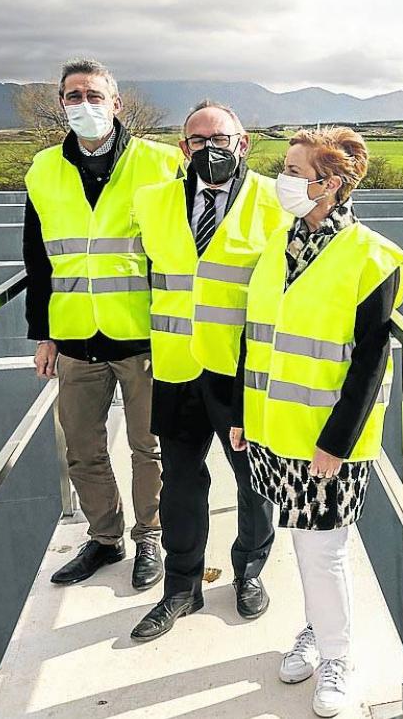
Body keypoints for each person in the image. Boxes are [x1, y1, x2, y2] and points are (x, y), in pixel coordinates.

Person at [229, 127, 403, 717]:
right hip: (272, 428)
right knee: (306, 544)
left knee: (324, 550)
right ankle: (318, 628)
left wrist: (337, 442)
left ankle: (338, 655)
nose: (280, 180)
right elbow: (254, 338)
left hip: (329, 440)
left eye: (291, 169)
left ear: (329, 183)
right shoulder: (278, 245)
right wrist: (241, 415)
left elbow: (369, 363)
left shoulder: (372, 257)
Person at [128, 101, 288, 642]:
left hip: (241, 373)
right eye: (197, 140)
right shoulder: (153, 203)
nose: (209, 148)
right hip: (175, 368)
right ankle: (181, 587)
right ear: (183, 148)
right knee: (179, 481)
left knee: (253, 480)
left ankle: (248, 571)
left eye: (220, 138)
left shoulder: (274, 202)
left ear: (242, 143)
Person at [23, 59, 183, 590]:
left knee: (149, 444)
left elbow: (178, 254)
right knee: (82, 446)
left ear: (116, 104)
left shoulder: (161, 163)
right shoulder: (43, 169)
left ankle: (151, 536)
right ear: (61, 104)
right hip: (73, 335)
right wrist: (43, 333)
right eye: (73, 96)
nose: (83, 105)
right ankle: (105, 538)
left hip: (142, 333)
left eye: (94, 95)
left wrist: (175, 330)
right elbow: (37, 258)